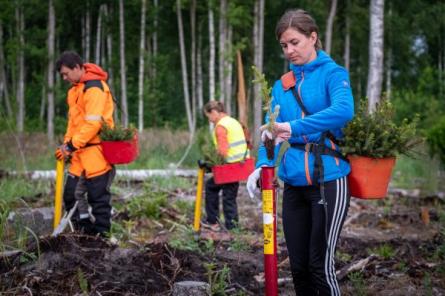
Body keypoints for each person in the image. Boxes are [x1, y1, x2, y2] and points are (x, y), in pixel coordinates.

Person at [247, 9, 354, 295]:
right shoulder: (282, 85)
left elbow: (344, 111)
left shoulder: (333, 74)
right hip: (293, 183)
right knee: (299, 268)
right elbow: (272, 130)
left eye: (295, 42)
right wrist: (262, 164)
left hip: (329, 179)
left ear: (313, 37)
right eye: (284, 45)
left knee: (320, 266)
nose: (289, 50)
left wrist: (293, 127)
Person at [55, 51, 115, 236]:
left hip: (96, 152)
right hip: (79, 153)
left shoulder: (94, 88)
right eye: (62, 75)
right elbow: (73, 123)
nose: (65, 78)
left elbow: (93, 124)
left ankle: (103, 237)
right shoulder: (75, 90)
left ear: (78, 67)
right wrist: (67, 146)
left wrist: (72, 145)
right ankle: (85, 231)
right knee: (71, 195)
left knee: (98, 199)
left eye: (66, 73)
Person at [202, 100, 249, 231]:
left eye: (209, 116)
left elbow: (222, 151)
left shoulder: (221, 126)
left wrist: (210, 163)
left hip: (229, 167)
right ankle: (232, 227)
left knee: (213, 188)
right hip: (239, 164)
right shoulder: (233, 121)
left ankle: (214, 222)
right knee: (229, 195)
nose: (210, 120)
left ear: (214, 112)